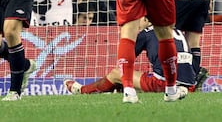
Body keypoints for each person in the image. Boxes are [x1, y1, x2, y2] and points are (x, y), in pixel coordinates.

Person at [64, 17, 196, 94]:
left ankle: (82, 90)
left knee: (117, 73)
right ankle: (117, 90)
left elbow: (126, 59)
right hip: (190, 84)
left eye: (138, 19)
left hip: (164, 83)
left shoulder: (146, 32)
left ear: (146, 19)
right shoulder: (174, 30)